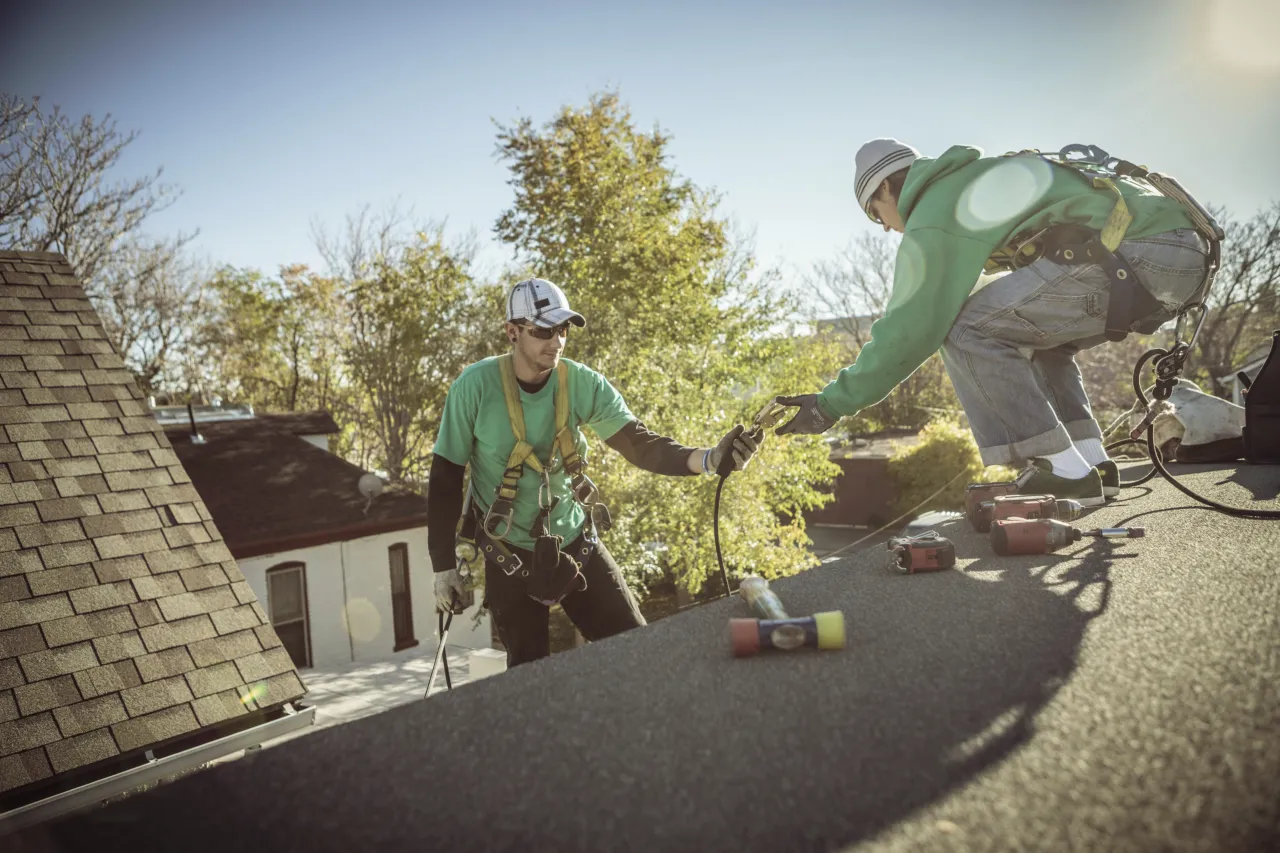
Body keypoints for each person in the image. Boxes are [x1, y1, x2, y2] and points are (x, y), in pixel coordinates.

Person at [774, 138, 1219, 506]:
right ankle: (1090, 465)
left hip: (1139, 251)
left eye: (875, 215)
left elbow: (912, 328)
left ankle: (1056, 468)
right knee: (1033, 335)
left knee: (964, 331)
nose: (887, 228)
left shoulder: (933, 212)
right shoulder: (970, 180)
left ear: (886, 190)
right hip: (1181, 254)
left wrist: (831, 403)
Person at [428, 278, 760, 666]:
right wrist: (443, 567)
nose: (557, 341)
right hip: (509, 554)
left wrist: (708, 459)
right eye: (543, 331)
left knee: (637, 654)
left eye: (563, 329)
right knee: (532, 681)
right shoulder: (475, 387)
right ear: (512, 332)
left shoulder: (582, 384)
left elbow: (639, 443)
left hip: (575, 542)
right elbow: (445, 478)